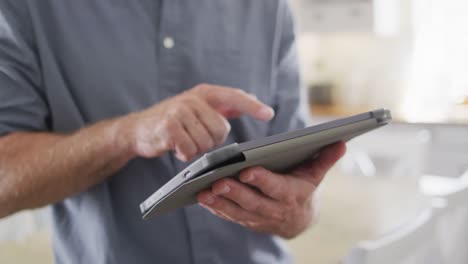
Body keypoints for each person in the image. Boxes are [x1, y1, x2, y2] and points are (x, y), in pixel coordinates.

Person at [0, 1, 346, 263]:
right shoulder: (28, 9)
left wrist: (296, 211)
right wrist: (128, 134)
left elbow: (302, 206)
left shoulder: (266, 8)